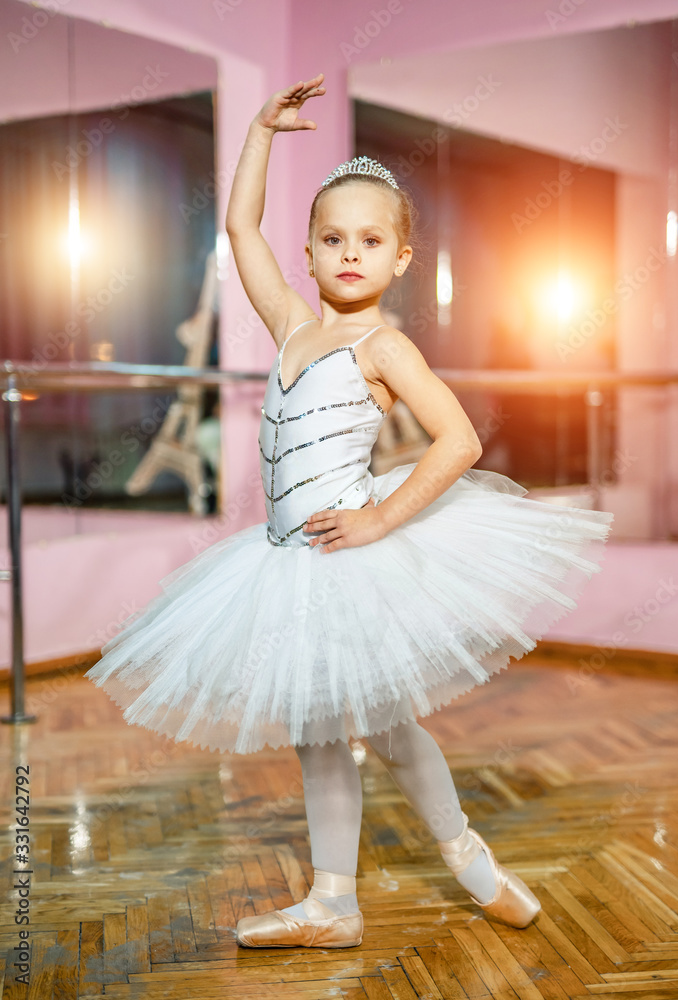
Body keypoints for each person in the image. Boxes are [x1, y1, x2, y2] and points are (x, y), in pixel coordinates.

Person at [85, 74, 614, 950]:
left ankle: (469, 858)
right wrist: (260, 129)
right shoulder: (293, 325)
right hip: (284, 563)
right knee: (318, 734)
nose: (351, 253)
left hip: (352, 559)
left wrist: (378, 520)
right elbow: (238, 229)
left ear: (401, 258)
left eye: (372, 240)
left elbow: (459, 441)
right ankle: (333, 903)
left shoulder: (385, 345)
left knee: (393, 727)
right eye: (333, 238)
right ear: (311, 252)